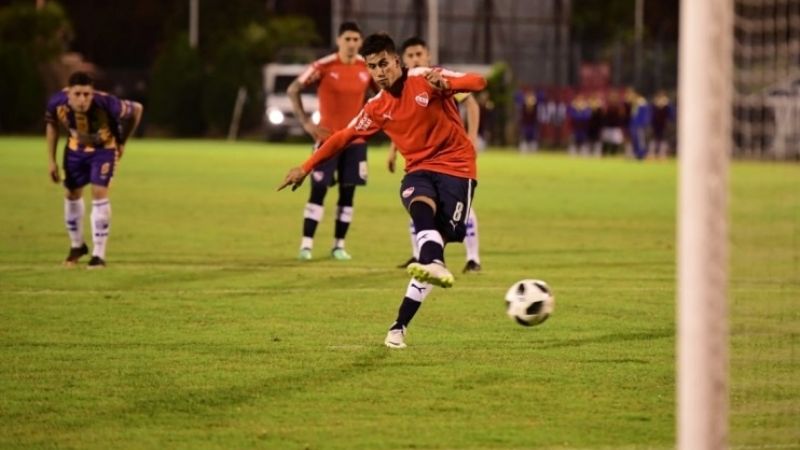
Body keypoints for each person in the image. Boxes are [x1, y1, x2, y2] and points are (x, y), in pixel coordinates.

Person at [279, 33, 487, 349]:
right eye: (373, 66)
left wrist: (446, 85)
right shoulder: (376, 107)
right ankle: (408, 310)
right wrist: (305, 167)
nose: (379, 72)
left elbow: (478, 82)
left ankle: (401, 321)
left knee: (433, 249)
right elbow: (342, 137)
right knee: (419, 205)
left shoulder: (425, 79)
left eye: (384, 64)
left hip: (457, 169)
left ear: (397, 62)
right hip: (418, 171)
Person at [387, 36, 483, 274]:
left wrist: (471, 138)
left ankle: (473, 258)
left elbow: (471, 104)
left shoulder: (439, 78)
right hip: (423, 158)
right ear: (402, 60)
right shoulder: (404, 85)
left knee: (463, 210)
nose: (416, 58)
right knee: (420, 204)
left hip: (451, 157)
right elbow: (403, 123)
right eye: (410, 55)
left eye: (419, 54)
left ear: (428, 55)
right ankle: (422, 255)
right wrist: (393, 150)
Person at [287, 21, 372, 261]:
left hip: (355, 141)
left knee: (348, 194)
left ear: (361, 42)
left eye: (356, 39)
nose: (352, 44)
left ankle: (339, 246)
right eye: (348, 39)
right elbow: (294, 89)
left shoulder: (366, 68)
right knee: (318, 190)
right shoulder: (324, 66)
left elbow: (382, 95)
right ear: (338, 41)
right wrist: (306, 123)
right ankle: (306, 245)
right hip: (327, 140)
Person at [45, 71, 143, 268]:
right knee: (71, 193)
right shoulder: (56, 102)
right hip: (75, 150)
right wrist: (51, 160)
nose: (82, 99)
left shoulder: (108, 103)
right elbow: (52, 126)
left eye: (87, 94)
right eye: (77, 94)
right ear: (69, 93)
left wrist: (122, 141)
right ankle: (77, 246)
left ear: (93, 93)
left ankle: (99, 254)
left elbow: (137, 109)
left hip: (103, 150)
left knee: (99, 192)